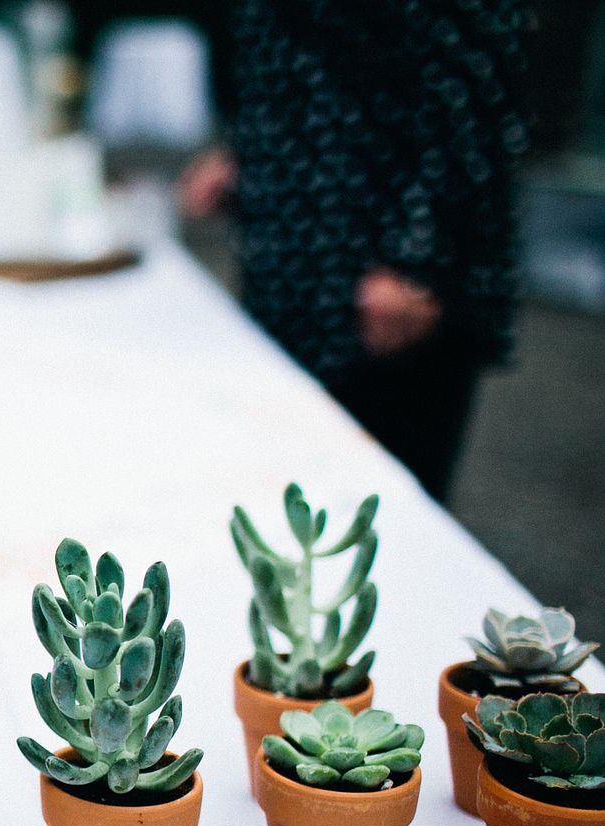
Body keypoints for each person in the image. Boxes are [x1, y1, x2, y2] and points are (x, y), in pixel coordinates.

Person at [181, 1, 532, 499]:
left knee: (380, 505)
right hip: (292, 249)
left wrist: (422, 260)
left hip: (387, 270)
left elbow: (472, 76)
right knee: (287, 483)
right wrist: (249, 155)